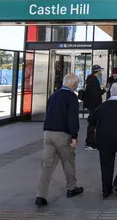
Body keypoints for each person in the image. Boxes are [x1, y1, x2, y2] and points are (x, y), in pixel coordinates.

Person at [35, 73, 83, 207]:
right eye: (77, 84)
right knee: (68, 161)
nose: (76, 86)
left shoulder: (53, 95)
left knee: (46, 165)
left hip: (48, 133)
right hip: (62, 134)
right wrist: (74, 136)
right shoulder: (72, 97)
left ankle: (40, 195)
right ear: (73, 84)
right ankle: (72, 188)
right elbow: (72, 118)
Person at [83, 65, 105, 150]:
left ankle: (91, 142)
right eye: (100, 71)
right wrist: (104, 90)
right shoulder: (94, 81)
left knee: (92, 124)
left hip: (91, 105)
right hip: (94, 105)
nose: (100, 73)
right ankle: (90, 143)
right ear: (97, 71)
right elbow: (97, 93)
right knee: (93, 124)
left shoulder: (89, 80)